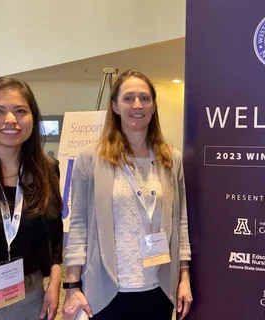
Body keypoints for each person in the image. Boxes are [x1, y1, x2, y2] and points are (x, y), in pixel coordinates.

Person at [62, 70, 193, 320]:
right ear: (114, 105)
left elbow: (181, 222)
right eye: (128, 98)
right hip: (106, 291)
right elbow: (78, 224)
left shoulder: (170, 158)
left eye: (144, 98)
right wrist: (72, 286)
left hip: (159, 288)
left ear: (154, 106)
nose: (137, 105)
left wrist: (184, 276)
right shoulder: (91, 158)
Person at [0, 77, 63, 320]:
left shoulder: (46, 171)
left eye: (20, 111)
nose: (11, 120)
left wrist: (55, 281)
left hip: (30, 294)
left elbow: (55, 235)